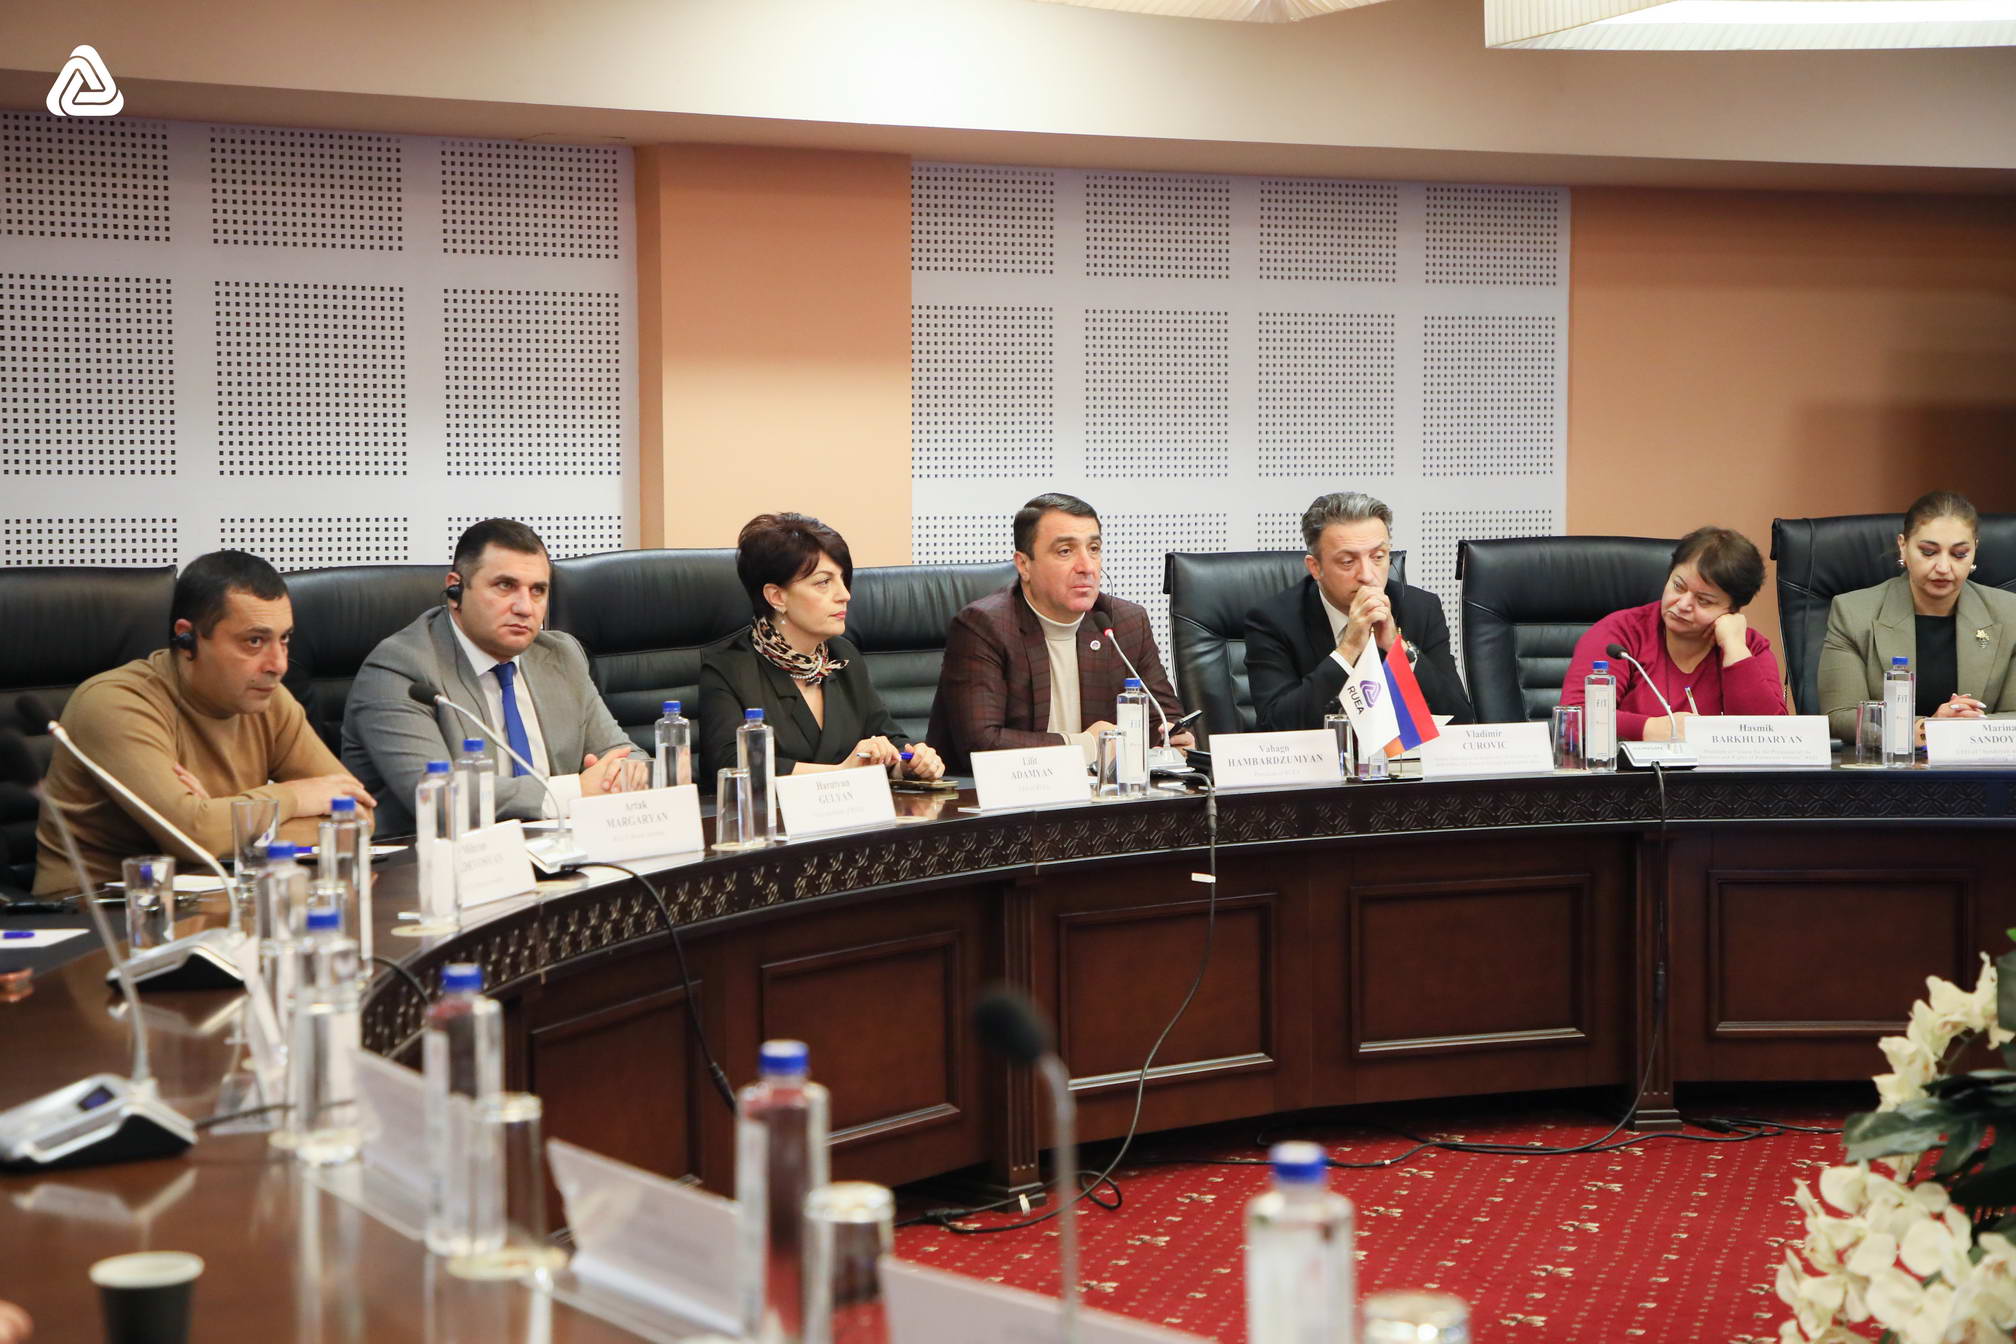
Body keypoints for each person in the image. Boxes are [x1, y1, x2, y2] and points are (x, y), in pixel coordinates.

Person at [31, 551, 372, 894]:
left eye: (283, 639)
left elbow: (356, 817)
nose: (279, 665)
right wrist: (294, 797)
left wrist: (222, 821)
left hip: (215, 894)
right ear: (188, 639)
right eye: (254, 641)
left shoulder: (269, 700)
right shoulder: (115, 704)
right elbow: (195, 837)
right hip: (97, 908)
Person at [342, 519, 645, 834]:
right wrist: (573, 792)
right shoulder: (399, 668)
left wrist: (621, 774)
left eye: (538, 590)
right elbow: (438, 797)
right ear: (456, 590)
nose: (525, 608)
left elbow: (626, 755)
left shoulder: (560, 655)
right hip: (438, 855)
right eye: (505, 586)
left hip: (560, 849)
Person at [928, 492, 1192, 773]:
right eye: (1065, 551)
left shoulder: (1124, 623)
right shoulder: (985, 627)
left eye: (1093, 549)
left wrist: (1173, 738)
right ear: (1024, 565)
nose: (1087, 567)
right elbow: (981, 743)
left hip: (1099, 793)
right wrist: (1087, 745)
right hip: (1007, 794)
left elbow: (1164, 718)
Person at [698, 513, 946, 783]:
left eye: (842, 579)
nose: (845, 595)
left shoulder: (842, 656)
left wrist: (909, 763)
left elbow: (888, 736)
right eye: (824, 582)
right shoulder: (729, 669)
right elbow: (728, 763)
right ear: (777, 596)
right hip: (772, 809)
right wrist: (841, 773)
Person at [1246, 491, 1474, 731]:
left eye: (1378, 557)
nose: (1367, 575)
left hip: (1401, 754)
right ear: (1315, 567)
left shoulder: (1421, 609)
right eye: (1347, 562)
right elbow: (1275, 727)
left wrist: (1398, 649)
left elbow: (1460, 719)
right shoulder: (1273, 621)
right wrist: (1349, 649)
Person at [1817, 491, 2016, 744]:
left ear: (1974, 550)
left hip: (1980, 764)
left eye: (1959, 554)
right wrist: (1926, 729)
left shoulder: (2010, 614)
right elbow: (1839, 715)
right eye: (1929, 552)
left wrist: (1964, 728)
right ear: (1903, 546)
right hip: (1890, 766)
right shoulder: (1853, 613)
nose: (1943, 567)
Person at [1559, 525, 1786, 741]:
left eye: (1704, 601)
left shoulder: (1751, 647)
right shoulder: (1620, 634)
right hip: (1631, 769)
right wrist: (1653, 729)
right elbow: (1574, 720)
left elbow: (1773, 738)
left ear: (1733, 609)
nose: (1683, 604)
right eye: (1678, 586)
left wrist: (1735, 649)